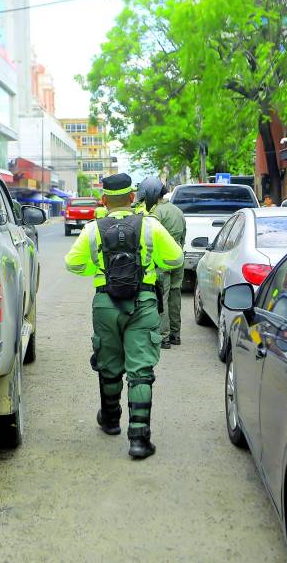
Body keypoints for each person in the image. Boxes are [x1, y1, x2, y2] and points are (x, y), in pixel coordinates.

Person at [65, 173, 183, 459]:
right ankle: (139, 439)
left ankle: (110, 420)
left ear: (104, 200)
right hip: (142, 303)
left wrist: (97, 270)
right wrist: (151, 264)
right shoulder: (150, 226)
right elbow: (176, 259)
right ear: (132, 197)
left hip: (105, 304)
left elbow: (72, 264)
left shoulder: (93, 229)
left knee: (108, 364)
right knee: (140, 370)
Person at [136, 177, 186, 349]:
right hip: (178, 259)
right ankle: (175, 334)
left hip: (162, 263)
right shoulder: (178, 211)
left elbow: (151, 240)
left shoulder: (156, 213)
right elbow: (183, 237)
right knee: (175, 296)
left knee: (161, 298)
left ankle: (163, 337)